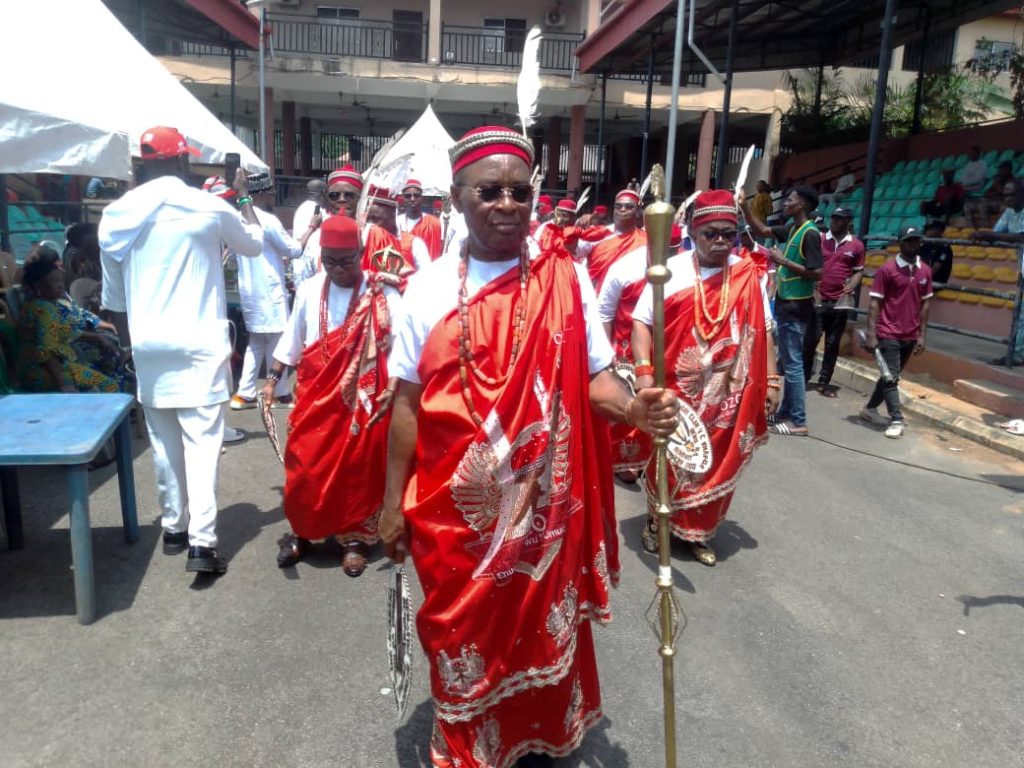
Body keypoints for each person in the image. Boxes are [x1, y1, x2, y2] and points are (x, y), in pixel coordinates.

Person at [378, 126, 679, 768]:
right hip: (455, 515)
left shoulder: (563, 278)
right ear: (458, 197)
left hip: (546, 510)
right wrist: (389, 503)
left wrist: (633, 408)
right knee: (462, 634)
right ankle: (468, 747)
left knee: (540, 634)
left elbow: (597, 377)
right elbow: (404, 407)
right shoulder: (426, 290)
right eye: (490, 191)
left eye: (520, 191)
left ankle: (537, 736)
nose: (507, 204)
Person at [99, 126, 263, 575]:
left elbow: (114, 302)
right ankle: (203, 544)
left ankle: (173, 527)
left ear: (142, 164)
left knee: (163, 442)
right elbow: (254, 244)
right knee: (202, 444)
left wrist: (136, 344)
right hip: (198, 344)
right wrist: (244, 198)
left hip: (150, 344)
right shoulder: (208, 206)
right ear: (183, 162)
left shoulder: (115, 216)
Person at [632, 190, 779, 566]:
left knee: (714, 460)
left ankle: (699, 532)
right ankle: (657, 524)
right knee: (669, 456)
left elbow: (764, 329)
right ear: (693, 232)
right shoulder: (670, 270)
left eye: (727, 235)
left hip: (727, 394)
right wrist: (644, 374)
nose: (719, 241)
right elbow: (642, 322)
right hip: (677, 389)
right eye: (710, 233)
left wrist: (773, 380)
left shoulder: (748, 274)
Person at [263, 216, 401, 574]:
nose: (339, 269)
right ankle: (303, 531)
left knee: (357, 471)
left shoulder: (381, 291)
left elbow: (402, 343)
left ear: (361, 253)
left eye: (347, 260)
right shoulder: (309, 288)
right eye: (330, 261)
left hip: (361, 400)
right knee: (304, 467)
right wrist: (272, 377)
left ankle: (354, 539)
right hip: (314, 393)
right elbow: (293, 338)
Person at [597, 225, 685, 484]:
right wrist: (605, 358)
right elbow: (604, 313)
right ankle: (626, 461)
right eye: (660, 251)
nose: (665, 258)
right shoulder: (623, 268)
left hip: (667, 350)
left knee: (661, 408)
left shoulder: (681, 269)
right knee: (629, 409)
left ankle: (653, 460)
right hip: (626, 351)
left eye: (671, 251)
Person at [230, 172, 319, 411]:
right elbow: (293, 250)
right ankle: (278, 393)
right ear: (261, 193)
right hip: (268, 291)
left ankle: (245, 394)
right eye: (270, 191)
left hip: (250, 291)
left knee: (257, 341)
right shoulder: (267, 221)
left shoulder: (239, 217)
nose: (272, 196)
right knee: (279, 340)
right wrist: (311, 228)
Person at [742, 185, 822, 436]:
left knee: (793, 365)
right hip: (787, 302)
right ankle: (786, 413)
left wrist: (783, 261)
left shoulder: (810, 234)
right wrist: (744, 206)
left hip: (797, 305)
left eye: (790, 199)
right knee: (789, 360)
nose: (785, 202)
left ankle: (798, 421)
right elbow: (763, 230)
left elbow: (817, 272)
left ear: (802, 205)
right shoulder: (793, 228)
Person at [859, 225, 933, 439]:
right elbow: (874, 303)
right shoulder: (887, 270)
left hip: (910, 333)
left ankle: (870, 408)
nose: (913, 244)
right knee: (891, 377)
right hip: (888, 331)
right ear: (900, 243)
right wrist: (872, 334)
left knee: (890, 375)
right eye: (909, 241)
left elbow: (926, 305)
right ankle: (897, 418)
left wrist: (922, 335)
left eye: (916, 241)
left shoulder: (925, 270)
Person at [16, 259, 118, 394]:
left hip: (55, 365)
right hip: (41, 371)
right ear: (38, 286)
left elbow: (67, 333)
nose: (60, 286)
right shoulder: (44, 309)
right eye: (54, 282)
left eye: (61, 281)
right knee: (110, 386)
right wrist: (65, 383)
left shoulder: (49, 304)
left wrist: (98, 338)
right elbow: (47, 350)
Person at [803, 207, 864, 394]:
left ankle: (824, 381)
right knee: (811, 339)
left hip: (840, 301)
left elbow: (858, 270)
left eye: (840, 219)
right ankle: (803, 378)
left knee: (832, 342)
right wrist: (812, 288)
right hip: (818, 298)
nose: (834, 222)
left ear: (848, 222)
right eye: (834, 218)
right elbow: (808, 265)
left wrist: (853, 284)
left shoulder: (856, 245)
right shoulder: (820, 240)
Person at [972, 181, 1024, 365]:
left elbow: (1020, 237)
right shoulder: (1010, 212)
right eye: (1005, 195)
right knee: (1021, 313)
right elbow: (997, 232)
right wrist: (982, 235)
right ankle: (1017, 354)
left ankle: (1016, 355)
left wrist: (991, 236)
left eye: (1012, 195)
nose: (1007, 199)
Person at [584, 189, 647, 290]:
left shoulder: (646, 240)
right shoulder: (596, 234)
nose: (622, 209)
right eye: (618, 206)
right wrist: (574, 231)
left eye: (629, 207)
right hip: (596, 297)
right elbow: (569, 253)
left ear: (638, 212)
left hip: (630, 299)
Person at [362, 185, 430, 278]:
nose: (370, 226)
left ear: (393, 214)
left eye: (375, 219)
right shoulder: (363, 242)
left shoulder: (414, 244)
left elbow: (426, 279)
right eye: (367, 220)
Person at [396, 179, 443, 260]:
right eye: (408, 196)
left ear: (422, 198)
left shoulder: (434, 223)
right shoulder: (396, 222)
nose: (412, 199)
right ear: (403, 198)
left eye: (416, 195)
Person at [965, 160, 1015, 228]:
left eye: (1001, 169)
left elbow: (1004, 194)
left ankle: (985, 229)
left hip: (1001, 203)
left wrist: (996, 190)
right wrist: (994, 193)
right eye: (999, 169)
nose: (999, 171)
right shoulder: (998, 180)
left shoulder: (1013, 181)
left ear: (1008, 169)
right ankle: (970, 230)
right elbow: (986, 193)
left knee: (982, 205)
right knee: (967, 206)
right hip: (991, 202)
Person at [919, 219, 953, 284]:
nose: (926, 232)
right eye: (926, 229)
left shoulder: (944, 247)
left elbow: (934, 270)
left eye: (929, 229)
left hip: (934, 282)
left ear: (938, 231)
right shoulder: (925, 244)